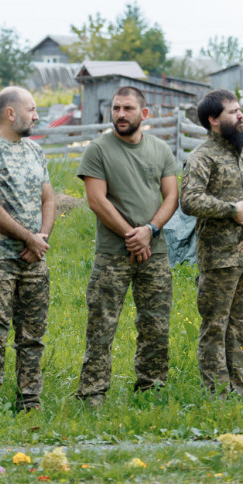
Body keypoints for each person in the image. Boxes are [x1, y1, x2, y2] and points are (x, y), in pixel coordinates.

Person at [74, 87, 179, 408]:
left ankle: (152, 389)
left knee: (156, 325)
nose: (121, 114)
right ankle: (93, 393)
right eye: (116, 108)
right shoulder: (98, 150)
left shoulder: (160, 150)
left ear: (143, 114)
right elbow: (96, 200)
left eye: (128, 108)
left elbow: (172, 197)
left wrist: (150, 231)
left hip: (155, 253)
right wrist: (131, 236)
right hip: (111, 255)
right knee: (101, 326)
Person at [180, 90, 243, 395]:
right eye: (233, 112)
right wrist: (230, 210)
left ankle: (239, 388)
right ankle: (217, 394)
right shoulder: (201, 157)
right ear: (213, 120)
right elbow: (189, 199)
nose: (240, 116)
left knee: (241, 326)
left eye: (240, 110)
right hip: (219, 259)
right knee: (215, 327)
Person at [0, 86, 55, 411]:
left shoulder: (34, 151)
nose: (36, 115)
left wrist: (40, 238)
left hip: (34, 258)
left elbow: (49, 198)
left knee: (32, 333)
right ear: (10, 113)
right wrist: (27, 238)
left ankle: (29, 400)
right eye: (31, 109)